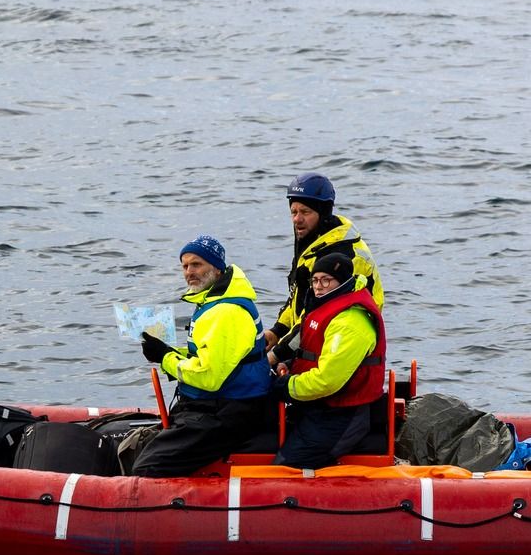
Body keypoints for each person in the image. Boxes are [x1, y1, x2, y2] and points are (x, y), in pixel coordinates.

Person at [129, 236, 271, 477]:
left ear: (216, 267)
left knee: (148, 468)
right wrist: (169, 352)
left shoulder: (226, 312)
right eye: (184, 266)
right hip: (216, 403)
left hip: (229, 410)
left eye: (196, 265)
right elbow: (210, 355)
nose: (189, 272)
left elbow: (209, 377)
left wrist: (165, 358)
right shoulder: (213, 300)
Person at [274, 251, 387, 469]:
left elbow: (328, 380)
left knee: (288, 466)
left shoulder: (350, 321)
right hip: (319, 406)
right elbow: (312, 352)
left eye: (326, 280)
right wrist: (288, 365)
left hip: (343, 414)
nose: (318, 286)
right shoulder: (325, 308)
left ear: (343, 281)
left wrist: (287, 386)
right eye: (315, 280)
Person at [264, 172, 384, 365]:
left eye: (305, 212)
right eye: (293, 212)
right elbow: (298, 296)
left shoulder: (340, 256)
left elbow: (315, 317)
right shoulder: (314, 243)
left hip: (340, 346)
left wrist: (276, 355)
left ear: (323, 213)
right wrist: (277, 331)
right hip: (313, 340)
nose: (297, 219)